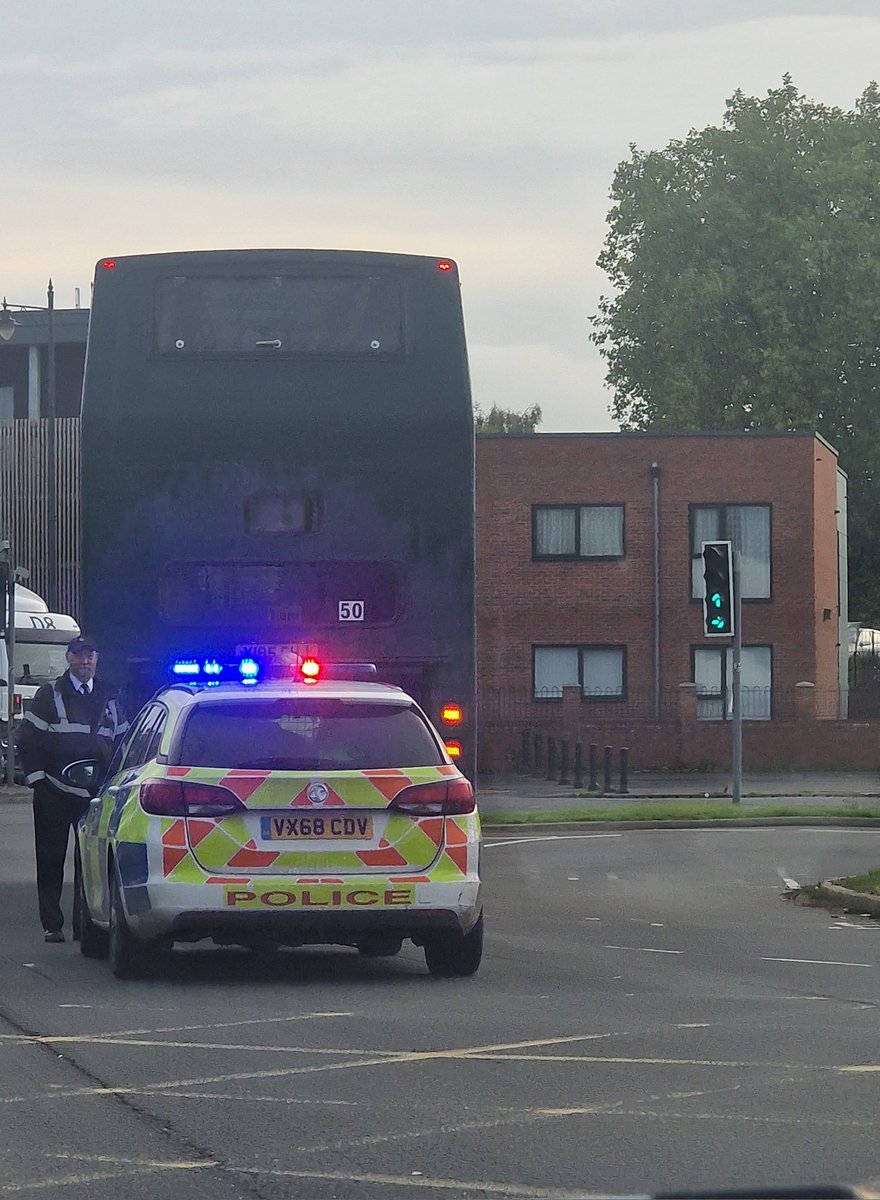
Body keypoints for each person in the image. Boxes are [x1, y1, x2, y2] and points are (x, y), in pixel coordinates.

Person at [17, 635, 128, 943]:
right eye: (79, 655)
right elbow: (28, 739)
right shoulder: (49, 694)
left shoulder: (110, 697)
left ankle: (85, 925)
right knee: (51, 859)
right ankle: (52, 925)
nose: (85, 661)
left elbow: (122, 744)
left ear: (97, 658)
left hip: (94, 796)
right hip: (54, 790)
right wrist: (37, 780)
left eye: (90, 655)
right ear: (68, 658)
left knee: (89, 863)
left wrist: (113, 785)